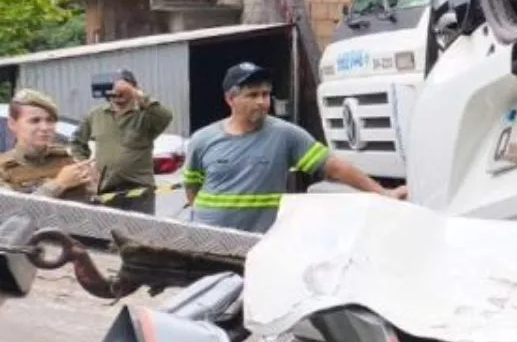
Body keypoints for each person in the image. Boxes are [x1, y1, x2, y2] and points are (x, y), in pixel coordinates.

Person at [184, 63, 404, 233]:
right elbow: (192, 189)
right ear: (230, 99)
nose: (262, 102)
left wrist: (384, 193)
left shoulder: (285, 135)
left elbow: (335, 167)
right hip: (207, 241)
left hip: (258, 245)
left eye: (265, 94)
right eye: (252, 95)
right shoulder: (202, 140)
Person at [69, 69, 174, 216]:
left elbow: (166, 116)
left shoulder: (146, 116)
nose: (117, 90)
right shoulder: (96, 115)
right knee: (107, 235)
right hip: (106, 191)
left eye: (122, 86)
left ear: (134, 87)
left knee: (139, 236)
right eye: (113, 86)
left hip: (140, 192)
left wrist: (137, 94)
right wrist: (84, 166)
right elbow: (76, 143)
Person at [0, 90, 95, 202]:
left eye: (50, 121)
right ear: (12, 124)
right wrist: (59, 184)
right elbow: (12, 213)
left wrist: (95, 184)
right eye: (35, 121)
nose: (45, 128)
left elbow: (92, 206)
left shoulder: (69, 159)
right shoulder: (4, 168)